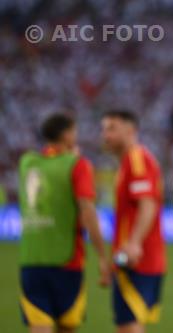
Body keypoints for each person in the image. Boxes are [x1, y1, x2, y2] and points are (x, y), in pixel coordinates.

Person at [18, 113, 110, 333]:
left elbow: (49, 162)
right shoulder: (77, 165)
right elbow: (87, 211)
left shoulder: (27, 163)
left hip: (31, 260)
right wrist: (101, 256)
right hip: (67, 262)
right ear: (67, 134)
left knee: (38, 326)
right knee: (66, 327)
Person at [101, 110, 166, 333]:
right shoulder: (127, 162)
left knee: (129, 325)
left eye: (111, 128)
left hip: (139, 260)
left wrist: (134, 243)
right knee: (126, 325)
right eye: (104, 129)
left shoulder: (137, 159)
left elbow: (147, 204)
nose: (105, 135)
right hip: (129, 259)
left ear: (130, 131)